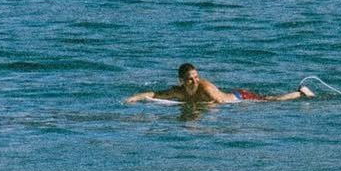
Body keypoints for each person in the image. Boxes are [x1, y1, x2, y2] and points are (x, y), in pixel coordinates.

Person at [124, 63, 316, 105]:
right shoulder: (179, 91)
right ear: (181, 81)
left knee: (271, 101)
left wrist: (202, 107)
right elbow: (154, 94)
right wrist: (133, 98)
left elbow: (219, 104)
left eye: (196, 76)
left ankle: (300, 92)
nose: (195, 80)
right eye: (190, 78)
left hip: (240, 97)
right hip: (228, 96)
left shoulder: (205, 88)